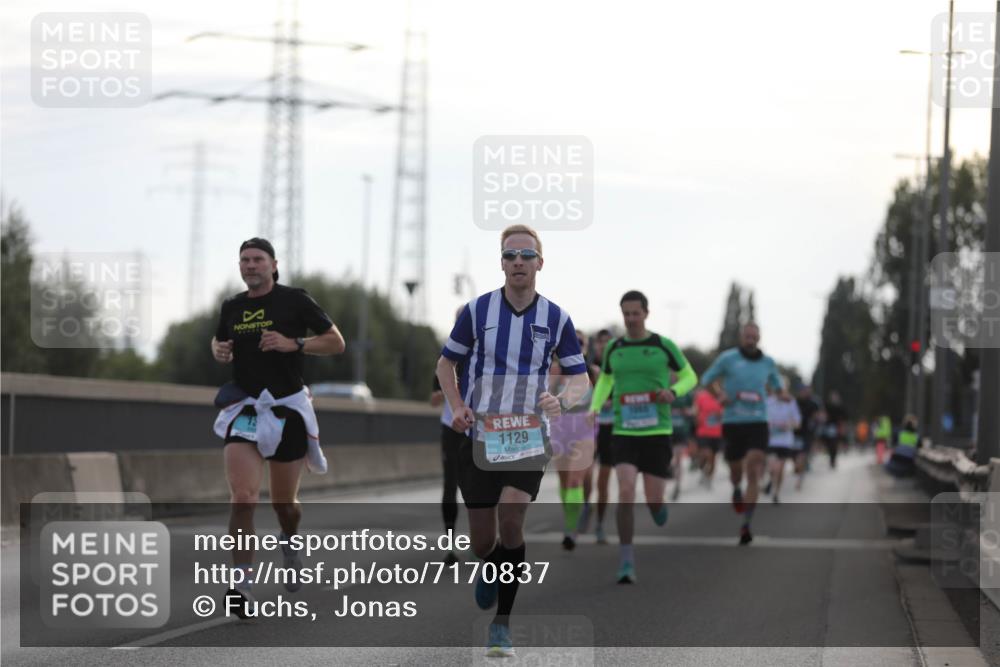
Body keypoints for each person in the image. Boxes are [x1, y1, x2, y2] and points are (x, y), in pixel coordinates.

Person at [435, 224, 589, 658]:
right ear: (501, 263)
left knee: (512, 516)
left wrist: (562, 401)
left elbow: (580, 377)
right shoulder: (477, 310)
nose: (517, 262)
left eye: (525, 255)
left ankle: (501, 624)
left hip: (528, 435)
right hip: (481, 433)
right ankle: (492, 562)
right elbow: (446, 365)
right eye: (509, 255)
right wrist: (458, 405)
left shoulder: (555, 317)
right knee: (483, 542)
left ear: (540, 262)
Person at [211, 238, 345, 617]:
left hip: (287, 411)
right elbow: (220, 341)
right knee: (243, 497)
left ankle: (289, 539)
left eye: (258, 260)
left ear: (273, 265)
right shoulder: (233, 306)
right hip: (247, 408)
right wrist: (216, 349)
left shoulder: (295, 300)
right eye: (244, 260)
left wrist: (295, 344)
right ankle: (241, 584)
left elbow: (336, 343)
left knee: (284, 505)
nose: (250, 265)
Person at [588, 290, 697, 583]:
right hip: (624, 432)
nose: (631, 319)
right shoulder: (614, 347)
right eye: (626, 314)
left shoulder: (663, 345)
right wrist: (595, 406)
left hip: (657, 432)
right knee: (624, 492)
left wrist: (673, 392)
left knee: (653, 500)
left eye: (636, 313)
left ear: (646, 314)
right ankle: (626, 561)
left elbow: (690, 376)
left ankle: (658, 507)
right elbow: (607, 380)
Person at [700, 322, 782, 545]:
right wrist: (720, 395)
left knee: (754, 468)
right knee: (736, 469)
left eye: (754, 336)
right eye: (747, 336)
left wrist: (783, 393)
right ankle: (736, 487)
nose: (751, 340)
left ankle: (746, 523)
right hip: (733, 421)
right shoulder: (728, 359)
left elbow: (778, 385)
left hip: (758, 421)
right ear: (741, 337)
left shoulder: (768, 362)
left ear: (759, 338)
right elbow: (707, 380)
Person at [548, 334, 596, 551]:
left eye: (580, 343)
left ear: (585, 347)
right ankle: (573, 517)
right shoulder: (557, 370)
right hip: (560, 429)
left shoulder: (593, 372)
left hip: (584, 430)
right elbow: (544, 393)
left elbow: (604, 396)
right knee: (564, 481)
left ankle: (571, 530)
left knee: (576, 480)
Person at [430, 308, 469, 565]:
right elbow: (433, 400)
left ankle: (488, 539)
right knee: (450, 485)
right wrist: (448, 391)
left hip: (479, 428)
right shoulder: (447, 356)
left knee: (483, 486)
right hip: (451, 427)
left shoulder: (484, 355)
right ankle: (451, 545)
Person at [581, 329, 615, 544]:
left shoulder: (621, 368)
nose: (603, 346)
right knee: (586, 476)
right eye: (600, 342)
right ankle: (586, 505)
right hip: (589, 427)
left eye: (607, 342)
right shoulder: (588, 368)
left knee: (604, 481)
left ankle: (600, 525)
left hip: (612, 428)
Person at [765, 380, 802, 504]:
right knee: (773, 468)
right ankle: (772, 480)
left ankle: (776, 493)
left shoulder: (791, 403)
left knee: (780, 469)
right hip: (771, 441)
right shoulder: (768, 402)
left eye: (782, 390)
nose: (780, 392)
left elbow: (797, 422)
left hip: (785, 441)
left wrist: (789, 425)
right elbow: (761, 418)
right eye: (777, 389)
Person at [693, 387, 724, 488]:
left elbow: (724, 413)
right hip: (703, 432)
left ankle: (709, 478)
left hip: (717, 433)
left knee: (713, 458)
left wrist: (720, 414)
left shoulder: (721, 396)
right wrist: (696, 418)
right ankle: (702, 469)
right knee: (706, 454)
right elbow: (696, 411)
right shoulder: (701, 396)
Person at [669, 390, 695, 500]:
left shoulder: (686, 393)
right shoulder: (662, 387)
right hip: (666, 431)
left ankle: (677, 486)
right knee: (668, 459)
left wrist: (685, 411)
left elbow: (693, 410)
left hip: (681, 431)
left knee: (678, 460)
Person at [794, 384, 820, 489]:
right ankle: (799, 470)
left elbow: (817, 417)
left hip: (807, 434)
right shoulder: (794, 402)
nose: (805, 393)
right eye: (803, 391)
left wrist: (816, 424)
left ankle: (800, 480)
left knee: (802, 457)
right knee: (796, 459)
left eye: (807, 391)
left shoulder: (813, 404)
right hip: (795, 433)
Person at [820, 391, 848, 469]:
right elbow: (823, 415)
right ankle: (830, 456)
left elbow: (844, 418)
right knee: (828, 444)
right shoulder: (827, 406)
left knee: (834, 444)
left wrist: (842, 427)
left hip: (836, 427)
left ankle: (833, 459)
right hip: (827, 427)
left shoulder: (840, 407)